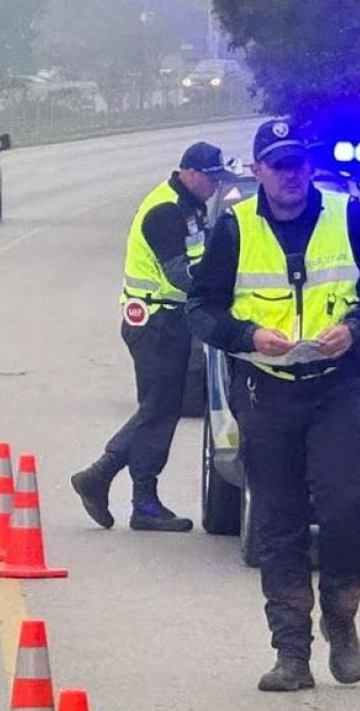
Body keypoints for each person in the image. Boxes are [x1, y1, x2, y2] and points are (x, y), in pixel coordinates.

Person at [187, 119, 360, 691]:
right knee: (278, 521)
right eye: (280, 166)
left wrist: (355, 328)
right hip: (266, 390)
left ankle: (341, 615)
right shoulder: (234, 228)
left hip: (337, 385)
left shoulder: (346, 216)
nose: (292, 176)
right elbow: (201, 309)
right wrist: (248, 336)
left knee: (346, 503)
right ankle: (291, 652)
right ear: (257, 170)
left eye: (299, 164)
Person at [71, 142, 235, 533]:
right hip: (154, 321)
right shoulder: (165, 211)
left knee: (160, 408)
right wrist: (221, 293)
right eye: (211, 178)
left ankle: (102, 479)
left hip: (169, 320)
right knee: (158, 409)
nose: (216, 185)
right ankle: (138, 499)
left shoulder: (191, 206)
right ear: (190, 173)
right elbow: (179, 276)